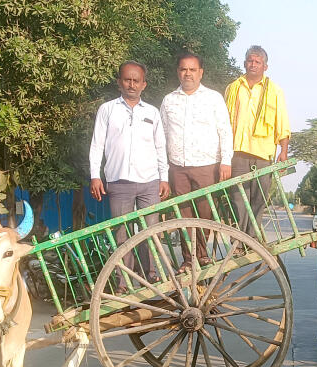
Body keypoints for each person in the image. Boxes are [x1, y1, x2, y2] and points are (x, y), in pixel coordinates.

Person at [89, 60, 170, 282]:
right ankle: (123, 282)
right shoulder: (107, 110)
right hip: (119, 181)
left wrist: (164, 178)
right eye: (127, 80)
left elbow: (160, 147)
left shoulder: (152, 112)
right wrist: (95, 176)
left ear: (144, 84)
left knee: (149, 231)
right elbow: (97, 145)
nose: (131, 84)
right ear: (119, 82)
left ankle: (150, 275)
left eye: (136, 80)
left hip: (149, 181)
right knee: (121, 234)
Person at [161, 51, 233, 267]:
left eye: (192, 69)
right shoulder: (169, 100)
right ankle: (188, 260)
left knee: (204, 213)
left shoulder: (213, 98)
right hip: (178, 167)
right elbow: (162, 136)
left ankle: (201, 255)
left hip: (207, 165)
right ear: (178, 72)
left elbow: (225, 131)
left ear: (200, 72)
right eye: (184, 69)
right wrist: (163, 169)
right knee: (183, 215)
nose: (188, 74)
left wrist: (226, 160)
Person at [224, 45, 290, 239]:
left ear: (265, 66)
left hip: (263, 154)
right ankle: (239, 240)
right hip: (237, 152)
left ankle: (251, 238)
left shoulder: (275, 91)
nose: (253, 65)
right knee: (238, 198)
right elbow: (223, 122)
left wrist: (283, 152)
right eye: (250, 61)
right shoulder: (233, 88)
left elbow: (282, 122)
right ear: (245, 63)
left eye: (257, 62)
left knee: (258, 199)